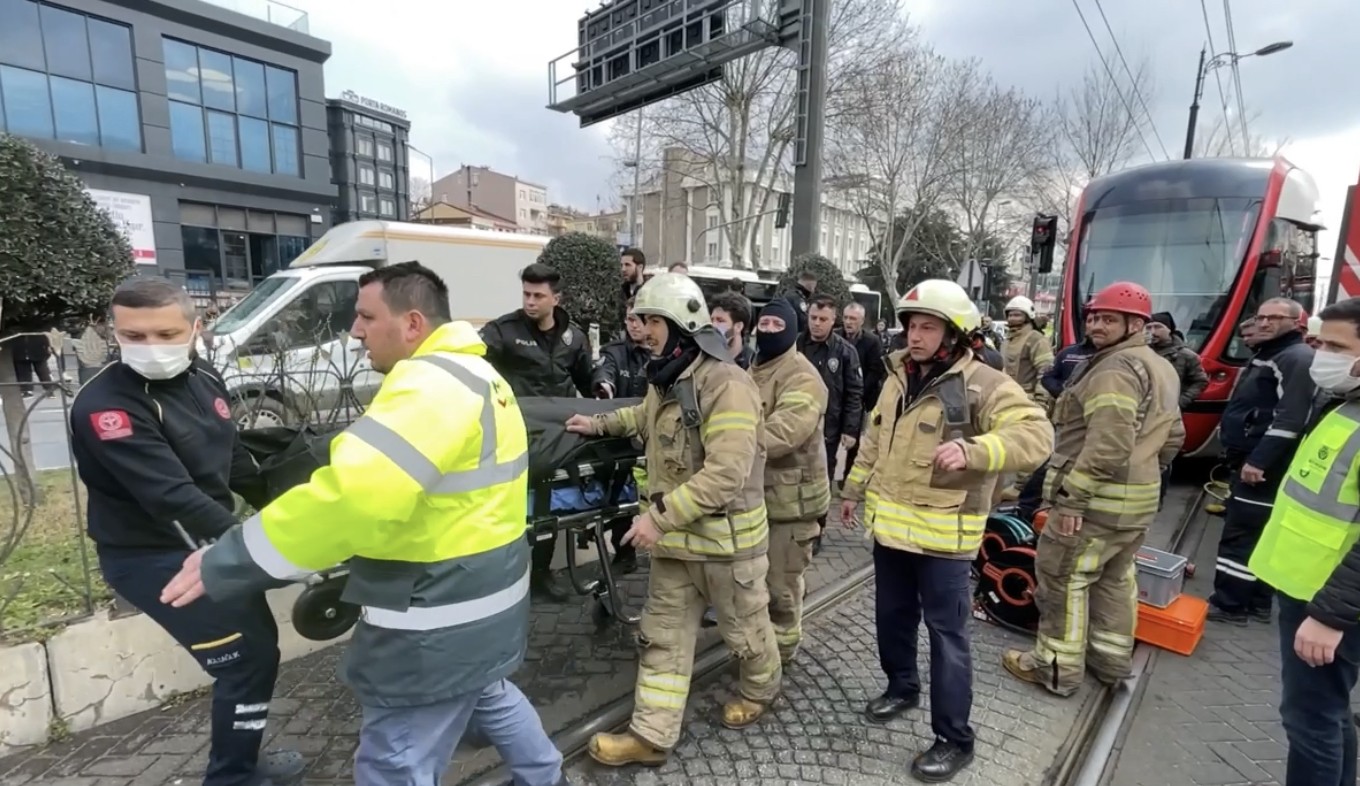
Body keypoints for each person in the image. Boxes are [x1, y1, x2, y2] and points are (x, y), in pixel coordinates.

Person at [161, 263, 567, 786]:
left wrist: (233, 558)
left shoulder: (431, 387)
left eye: (366, 316)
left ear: (413, 323)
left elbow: (353, 497)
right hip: (481, 605)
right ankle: (546, 777)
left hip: (434, 622)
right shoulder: (480, 376)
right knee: (488, 694)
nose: (354, 331)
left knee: (393, 763)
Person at [69, 277, 303, 786]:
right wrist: (257, 545)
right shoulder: (106, 406)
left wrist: (296, 511)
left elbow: (234, 458)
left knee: (257, 653)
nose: (150, 348)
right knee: (244, 661)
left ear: (196, 329)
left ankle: (241, 764)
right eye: (134, 336)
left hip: (207, 543)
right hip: (153, 555)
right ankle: (232, 778)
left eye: (165, 333)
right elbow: (171, 497)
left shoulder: (204, 376)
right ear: (114, 333)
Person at [565, 273, 781, 768]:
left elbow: (727, 473)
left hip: (727, 547)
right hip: (678, 547)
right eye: (642, 320)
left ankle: (762, 689)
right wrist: (594, 423)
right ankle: (651, 735)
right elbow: (641, 418)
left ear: (681, 325)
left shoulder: (726, 384)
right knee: (662, 637)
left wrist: (658, 520)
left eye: (652, 321)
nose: (642, 330)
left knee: (746, 634)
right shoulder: (666, 377)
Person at [840, 279, 1051, 783]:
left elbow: (1036, 434)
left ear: (956, 333)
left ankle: (954, 739)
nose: (915, 335)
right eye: (912, 325)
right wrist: (851, 492)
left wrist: (976, 451)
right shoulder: (896, 377)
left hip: (945, 542)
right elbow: (874, 439)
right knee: (891, 618)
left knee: (947, 637)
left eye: (928, 327)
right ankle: (901, 687)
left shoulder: (983, 383)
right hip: (891, 534)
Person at [1004, 282, 1185, 698]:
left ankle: (1054, 669)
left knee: (1063, 579)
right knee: (1115, 580)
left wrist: (1073, 500)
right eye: (1094, 317)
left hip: (1092, 506)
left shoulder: (1115, 369)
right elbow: (1172, 436)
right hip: (1135, 503)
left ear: (1135, 324)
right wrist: (1144, 472)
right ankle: (1109, 662)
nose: (1097, 325)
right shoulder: (1160, 366)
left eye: (1109, 319)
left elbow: (1108, 444)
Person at [1247, 297, 1360, 785]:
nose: (1322, 355)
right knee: (1330, 714)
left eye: (1336, 346)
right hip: (1309, 591)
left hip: (1329, 604)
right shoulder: (1348, 404)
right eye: (1320, 342)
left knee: (1310, 721)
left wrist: (1329, 616)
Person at [481, 262, 594, 601]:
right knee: (509, 506)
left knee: (546, 508)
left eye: (538, 295)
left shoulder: (574, 338)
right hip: (513, 432)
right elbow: (476, 367)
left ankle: (542, 574)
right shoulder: (503, 331)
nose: (530, 301)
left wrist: (601, 394)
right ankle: (504, 576)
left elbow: (586, 383)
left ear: (555, 298)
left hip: (557, 436)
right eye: (526, 294)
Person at [1209, 298, 1315, 625]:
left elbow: (1290, 418)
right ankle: (1256, 603)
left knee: (1241, 533)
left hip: (1261, 467)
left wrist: (1259, 461)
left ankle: (1228, 604)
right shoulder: (1272, 355)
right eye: (1261, 317)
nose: (1264, 323)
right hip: (1255, 460)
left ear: (1296, 323)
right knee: (1260, 532)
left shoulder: (1293, 358)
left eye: (1274, 318)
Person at [752, 298, 829, 662]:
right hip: (756, 499)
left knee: (782, 588)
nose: (767, 332)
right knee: (755, 582)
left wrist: (728, 444)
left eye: (775, 327)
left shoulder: (802, 376)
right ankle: (761, 645)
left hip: (792, 506)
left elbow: (785, 433)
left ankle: (781, 656)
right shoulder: (750, 370)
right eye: (763, 324)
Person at [798, 295, 863, 554]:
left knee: (821, 481)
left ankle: (817, 530)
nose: (816, 323)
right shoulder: (795, 345)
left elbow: (854, 393)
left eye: (823, 319)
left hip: (828, 430)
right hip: (796, 425)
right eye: (813, 318)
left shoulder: (845, 352)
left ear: (833, 320)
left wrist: (851, 429)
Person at [593, 299, 651, 575]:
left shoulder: (663, 352)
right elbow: (606, 373)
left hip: (655, 436)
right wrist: (604, 386)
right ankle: (624, 550)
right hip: (623, 435)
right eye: (629, 319)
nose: (634, 325)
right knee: (621, 491)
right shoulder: (616, 352)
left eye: (639, 318)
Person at [838, 302, 885, 479]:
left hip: (860, 398)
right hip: (836, 396)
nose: (848, 322)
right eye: (846, 318)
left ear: (862, 321)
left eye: (853, 319)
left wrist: (858, 392)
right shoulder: (835, 337)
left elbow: (876, 371)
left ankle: (848, 476)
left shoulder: (872, 342)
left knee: (854, 440)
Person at [710, 291, 756, 370]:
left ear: (738, 327)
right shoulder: (704, 357)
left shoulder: (752, 364)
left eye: (720, 321)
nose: (713, 325)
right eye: (712, 320)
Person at [620, 247, 647, 330]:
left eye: (627, 265)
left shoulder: (649, 290)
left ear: (640, 267)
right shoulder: (621, 290)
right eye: (621, 265)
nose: (623, 269)